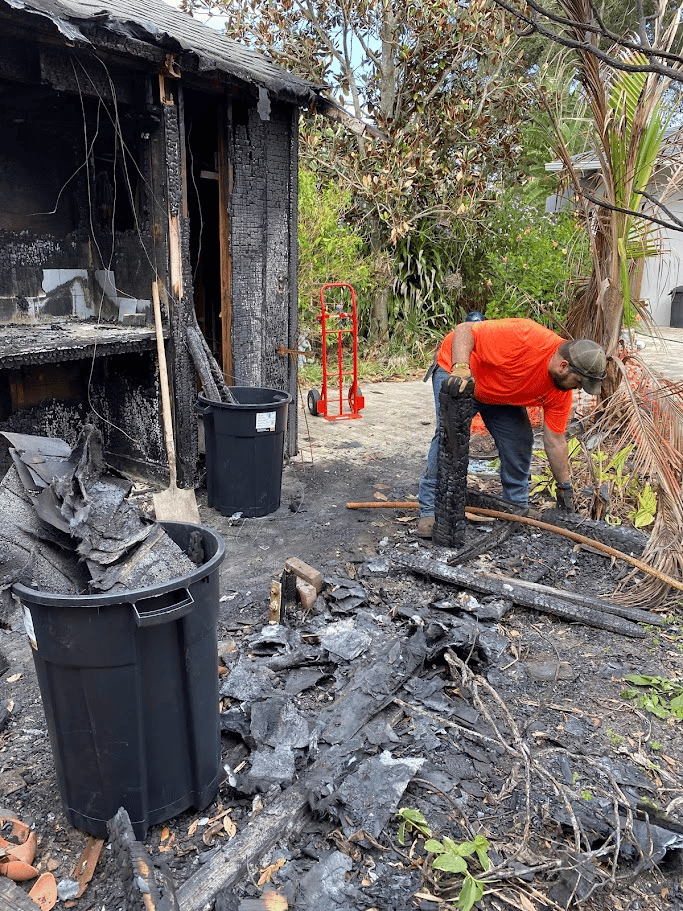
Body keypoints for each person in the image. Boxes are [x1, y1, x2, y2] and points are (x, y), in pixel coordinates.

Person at [416, 317, 607, 538]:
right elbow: (464, 330)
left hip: (499, 394)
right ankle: (430, 510)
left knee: (519, 442)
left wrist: (565, 487)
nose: (577, 390)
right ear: (563, 366)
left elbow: (555, 441)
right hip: (459, 370)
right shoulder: (524, 336)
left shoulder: (560, 391)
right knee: (448, 439)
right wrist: (460, 368)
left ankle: (515, 509)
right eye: (578, 383)